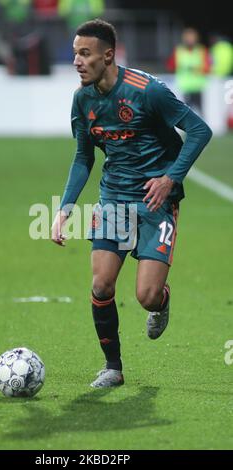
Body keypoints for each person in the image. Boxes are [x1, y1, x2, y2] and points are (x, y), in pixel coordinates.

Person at [51, 19, 212, 388]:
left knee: (147, 295)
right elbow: (83, 158)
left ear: (108, 55)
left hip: (157, 202)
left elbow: (200, 130)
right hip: (113, 200)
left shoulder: (147, 91)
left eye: (85, 53)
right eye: (75, 53)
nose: (77, 61)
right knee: (101, 285)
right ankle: (113, 367)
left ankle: (162, 302)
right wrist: (65, 208)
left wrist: (171, 177)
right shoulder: (82, 99)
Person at [167, 27, 210, 115]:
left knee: (201, 113)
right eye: (188, 37)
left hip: (198, 87)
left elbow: (208, 67)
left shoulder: (202, 50)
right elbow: (170, 66)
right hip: (183, 87)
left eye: (192, 37)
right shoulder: (178, 51)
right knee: (184, 112)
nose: (190, 40)